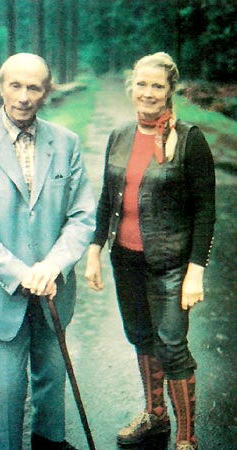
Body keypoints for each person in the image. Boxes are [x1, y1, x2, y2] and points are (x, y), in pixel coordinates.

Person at [0, 53, 95, 450]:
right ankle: (5, 445)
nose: (24, 96)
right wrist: (20, 272)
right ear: (0, 86)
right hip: (0, 290)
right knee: (7, 379)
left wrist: (54, 265)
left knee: (52, 370)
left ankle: (51, 441)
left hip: (53, 286)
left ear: (47, 91)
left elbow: (82, 216)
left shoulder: (66, 143)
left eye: (34, 87)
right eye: (16, 85)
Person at [85, 52, 215, 450]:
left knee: (172, 346)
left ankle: (186, 437)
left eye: (157, 85)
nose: (148, 92)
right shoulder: (120, 135)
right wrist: (94, 248)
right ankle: (155, 415)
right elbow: (108, 198)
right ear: (132, 87)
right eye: (141, 84)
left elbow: (205, 210)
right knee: (141, 336)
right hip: (125, 259)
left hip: (170, 265)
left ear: (170, 90)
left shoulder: (190, 140)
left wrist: (196, 270)